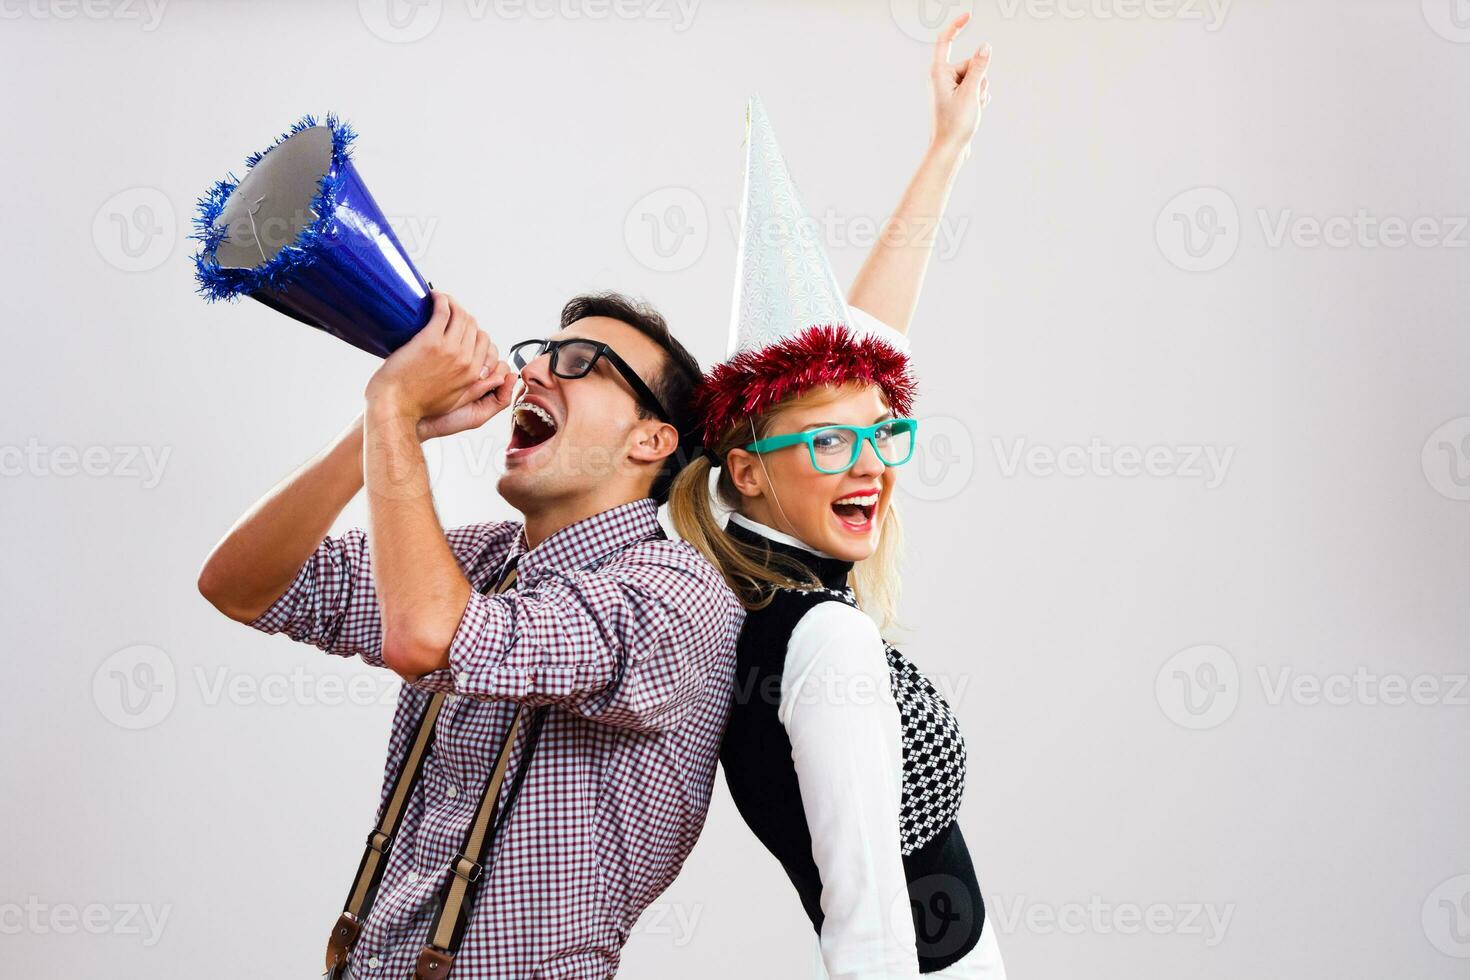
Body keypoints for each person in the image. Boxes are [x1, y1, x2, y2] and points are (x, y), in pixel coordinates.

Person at [197, 290, 743, 978]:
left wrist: (395, 411)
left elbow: (432, 637)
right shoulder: (482, 561)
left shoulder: (678, 593)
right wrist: (380, 422)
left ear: (651, 438)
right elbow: (241, 585)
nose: (536, 370)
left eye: (580, 362)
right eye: (539, 354)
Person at [667, 16, 1003, 979]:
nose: (871, 464)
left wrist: (947, 148)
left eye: (881, 434)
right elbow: (864, 921)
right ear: (751, 470)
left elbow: (856, 349)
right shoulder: (825, 640)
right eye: (829, 444)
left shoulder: (758, 582)